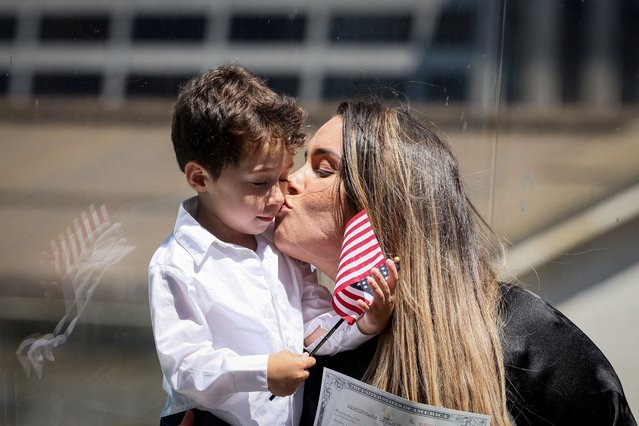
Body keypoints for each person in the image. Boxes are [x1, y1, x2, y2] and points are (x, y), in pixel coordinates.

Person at [271, 98, 637, 425]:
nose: (289, 180)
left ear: (386, 207)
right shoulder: (305, 344)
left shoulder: (524, 337)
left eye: (323, 169)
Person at [148, 67, 397, 426]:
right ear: (199, 178)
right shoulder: (176, 264)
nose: (279, 196)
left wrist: (364, 325)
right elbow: (185, 368)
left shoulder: (280, 247)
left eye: (282, 177)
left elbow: (315, 327)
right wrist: (262, 371)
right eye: (260, 182)